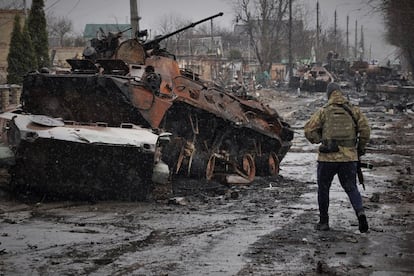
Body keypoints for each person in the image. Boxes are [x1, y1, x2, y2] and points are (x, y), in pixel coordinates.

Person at [304, 82, 370, 233]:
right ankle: (361, 215)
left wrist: (319, 140)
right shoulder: (354, 110)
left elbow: (308, 130)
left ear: (329, 95)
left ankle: (324, 222)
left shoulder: (324, 111)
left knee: (323, 188)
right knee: (351, 187)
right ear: (341, 93)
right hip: (349, 158)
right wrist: (359, 149)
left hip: (327, 158)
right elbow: (365, 130)